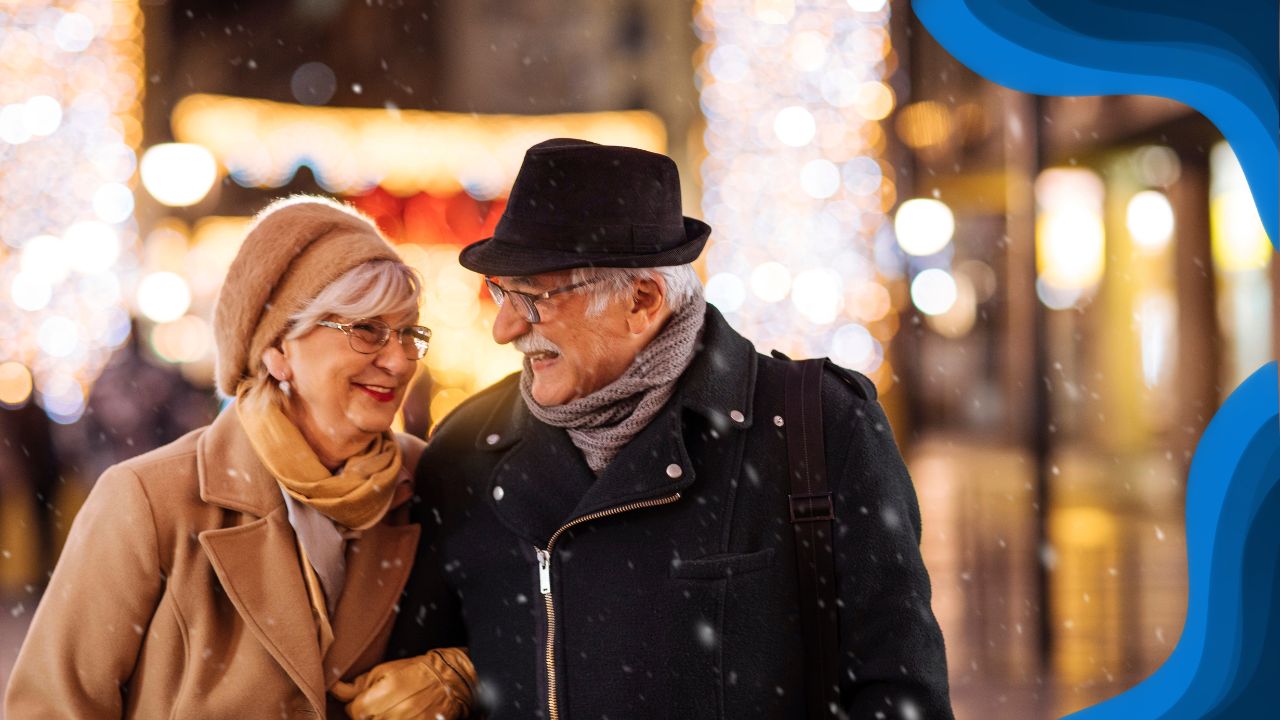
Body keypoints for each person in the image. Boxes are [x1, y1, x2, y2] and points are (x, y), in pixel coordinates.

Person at [378, 139, 953, 718]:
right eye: (501, 292)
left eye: (531, 298)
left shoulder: (817, 428)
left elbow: (899, 690)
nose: (503, 329)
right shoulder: (463, 453)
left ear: (643, 300)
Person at [5, 197, 474, 719]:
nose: (398, 359)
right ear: (277, 349)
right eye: (366, 330)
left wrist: (462, 672)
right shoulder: (149, 499)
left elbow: (533, 635)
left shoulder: (428, 481)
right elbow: (49, 707)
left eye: (410, 333)